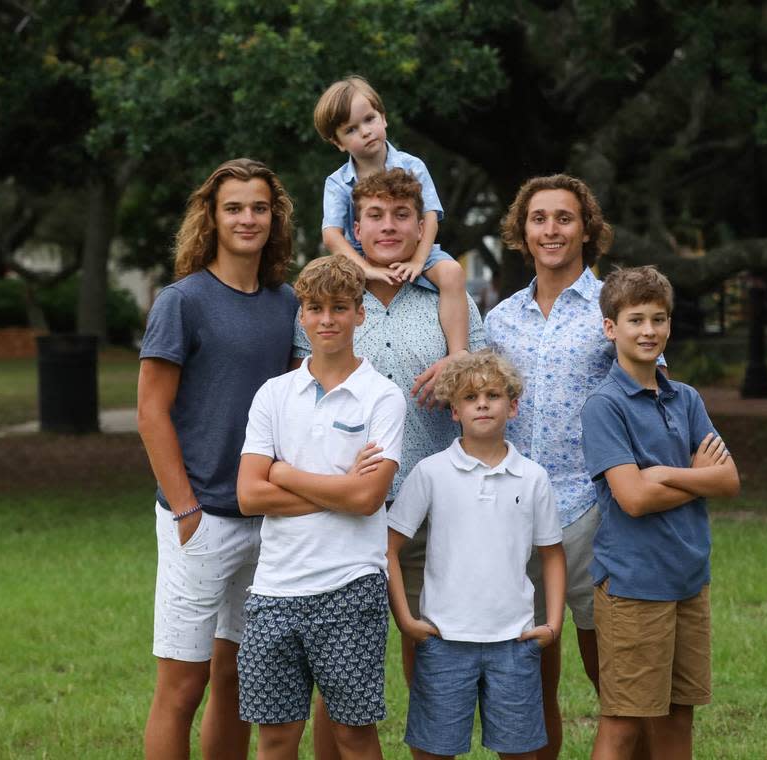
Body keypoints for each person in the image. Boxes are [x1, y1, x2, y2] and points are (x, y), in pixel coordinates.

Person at [298, 168, 486, 759]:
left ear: (420, 225)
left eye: (401, 216)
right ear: (355, 227)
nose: (388, 227)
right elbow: (302, 395)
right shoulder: (331, 299)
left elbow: (482, 392)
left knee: (428, 646)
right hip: (344, 507)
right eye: (375, 216)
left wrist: (457, 371)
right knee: (340, 660)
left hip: (432, 505)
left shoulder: (447, 298)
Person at [485, 174, 665, 759]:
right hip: (515, 512)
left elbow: (653, 394)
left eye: (565, 218)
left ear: (587, 228)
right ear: (522, 230)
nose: (552, 230)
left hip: (594, 508)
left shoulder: (613, 308)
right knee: (530, 678)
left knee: (611, 677)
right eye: (539, 219)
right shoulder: (502, 318)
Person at [137, 158, 299, 760]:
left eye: (259, 207)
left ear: (274, 217)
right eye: (234, 207)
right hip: (198, 520)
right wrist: (184, 509)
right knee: (183, 683)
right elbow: (152, 411)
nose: (247, 219)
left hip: (266, 519)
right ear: (211, 216)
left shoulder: (287, 303)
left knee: (234, 679)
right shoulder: (183, 301)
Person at [236, 254, 406, 760]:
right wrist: (337, 490)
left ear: (360, 314)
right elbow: (249, 495)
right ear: (301, 316)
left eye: (339, 307)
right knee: (275, 737)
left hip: (350, 587)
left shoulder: (382, 397)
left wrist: (283, 474)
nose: (326, 319)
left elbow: (367, 498)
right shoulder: (273, 394)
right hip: (274, 589)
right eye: (314, 308)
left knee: (354, 735)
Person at [581, 266, 740, 760]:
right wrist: (694, 476)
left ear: (669, 326)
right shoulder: (604, 405)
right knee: (625, 719)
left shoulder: (685, 398)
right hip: (633, 582)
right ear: (611, 328)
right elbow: (632, 499)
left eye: (658, 319)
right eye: (635, 320)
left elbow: (729, 480)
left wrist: (663, 475)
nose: (648, 331)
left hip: (687, 578)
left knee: (678, 713)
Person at [387, 350, 565, 759]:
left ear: (513, 405)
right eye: (469, 397)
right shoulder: (430, 472)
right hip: (444, 640)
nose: (482, 403)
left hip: (514, 641)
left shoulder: (534, 477)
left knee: (520, 752)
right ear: (454, 411)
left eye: (492, 394)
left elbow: (552, 554)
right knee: (433, 752)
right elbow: (389, 547)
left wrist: (552, 624)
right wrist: (406, 619)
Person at [314, 75, 469, 381]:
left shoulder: (412, 166)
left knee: (451, 273)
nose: (366, 132)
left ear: (383, 118)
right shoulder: (337, 183)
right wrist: (364, 269)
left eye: (370, 119)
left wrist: (417, 261)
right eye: (351, 130)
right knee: (323, 287)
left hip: (415, 250)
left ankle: (458, 353)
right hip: (357, 259)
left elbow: (431, 217)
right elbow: (332, 235)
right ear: (338, 142)